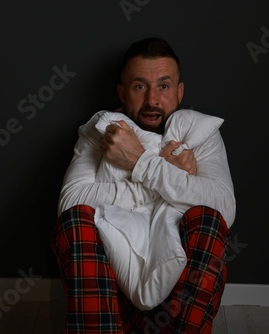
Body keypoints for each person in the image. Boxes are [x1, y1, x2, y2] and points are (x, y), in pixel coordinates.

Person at [52, 37, 236, 333]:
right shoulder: (101, 131)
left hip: (182, 296)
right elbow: (71, 201)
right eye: (140, 86)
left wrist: (140, 162)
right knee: (74, 221)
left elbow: (224, 207)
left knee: (209, 220)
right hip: (106, 289)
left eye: (163, 86)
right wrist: (169, 179)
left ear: (179, 91)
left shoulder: (199, 134)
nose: (152, 99)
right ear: (122, 92)